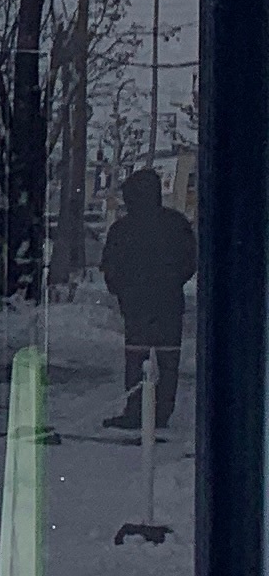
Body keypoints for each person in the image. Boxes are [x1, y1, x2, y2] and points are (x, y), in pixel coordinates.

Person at [101, 165, 197, 433]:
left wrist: (123, 290)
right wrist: (171, 282)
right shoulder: (175, 224)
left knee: (136, 359)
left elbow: (110, 266)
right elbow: (189, 261)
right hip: (168, 304)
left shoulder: (122, 229)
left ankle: (135, 411)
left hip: (136, 306)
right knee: (168, 361)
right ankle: (162, 413)